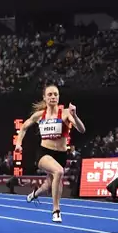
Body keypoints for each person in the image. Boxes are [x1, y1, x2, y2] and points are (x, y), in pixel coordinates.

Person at [15, 84, 86, 222]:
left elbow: (82, 129)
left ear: (58, 97)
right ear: (45, 98)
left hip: (61, 154)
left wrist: (75, 116)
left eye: (55, 94)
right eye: (50, 95)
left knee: (49, 184)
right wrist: (18, 144)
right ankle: (56, 210)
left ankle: (34, 194)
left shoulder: (65, 113)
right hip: (44, 153)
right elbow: (23, 127)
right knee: (58, 172)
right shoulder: (39, 115)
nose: (53, 97)